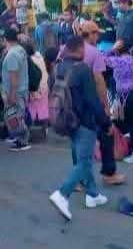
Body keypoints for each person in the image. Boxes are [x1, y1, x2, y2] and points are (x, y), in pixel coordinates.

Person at [49, 36, 111, 221]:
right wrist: (106, 123)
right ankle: (62, 194)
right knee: (84, 162)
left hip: (67, 120)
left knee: (83, 158)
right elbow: (93, 100)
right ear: (80, 49)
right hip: (85, 122)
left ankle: (93, 194)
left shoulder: (58, 67)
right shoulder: (83, 69)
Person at [75, 21, 126, 185]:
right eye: (96, 33)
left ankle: (78, 179)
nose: (98, 37)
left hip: (72, 101)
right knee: (106, 132)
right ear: (90, 34)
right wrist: (105, 105)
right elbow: (99, 81)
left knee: (77, 140)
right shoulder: (94, 52)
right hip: (91, 101)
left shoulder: (68, 48)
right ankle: (109, 173)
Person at [104, 51, 133, 164]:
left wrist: (110, 51)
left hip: (130, 95)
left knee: (130, 124)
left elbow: (103, 59)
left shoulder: (118, 60)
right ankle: (132, 141)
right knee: (128, 121)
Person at [1, 28, 31, 151]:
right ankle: (20, 138)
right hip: (23, 88)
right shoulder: (20, 50)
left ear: (5, 39)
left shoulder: (12, 55)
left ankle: (22, 141)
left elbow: (14, 76)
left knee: (14, 117)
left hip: (16, 91)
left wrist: (12, 94)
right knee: (18, 116)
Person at [22, 40, 49, 125]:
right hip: (44, 87)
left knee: (32, 110)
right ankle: (44, 128)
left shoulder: (29, 60)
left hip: (35, 89)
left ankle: (34, 127)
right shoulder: (39, 57)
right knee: (43, 110)